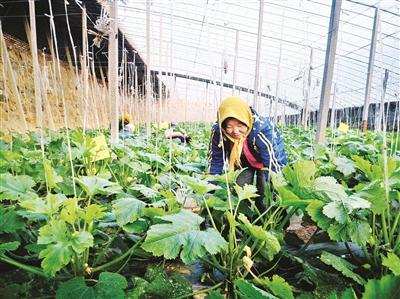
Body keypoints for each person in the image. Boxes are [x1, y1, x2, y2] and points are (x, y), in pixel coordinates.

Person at [208, 96, 287, 213]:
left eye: (240, 126)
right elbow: (215, 160)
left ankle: (270, 219)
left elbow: (272, 165)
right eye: (229, 127)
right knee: (240, 187)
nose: (235, 131)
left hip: (265, 161)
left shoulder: (262, 129)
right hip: (241, 160)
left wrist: (278, 191)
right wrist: (210, 189)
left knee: (265, 190)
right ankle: (241, 218)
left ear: (247, 121)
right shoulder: (218, 131)